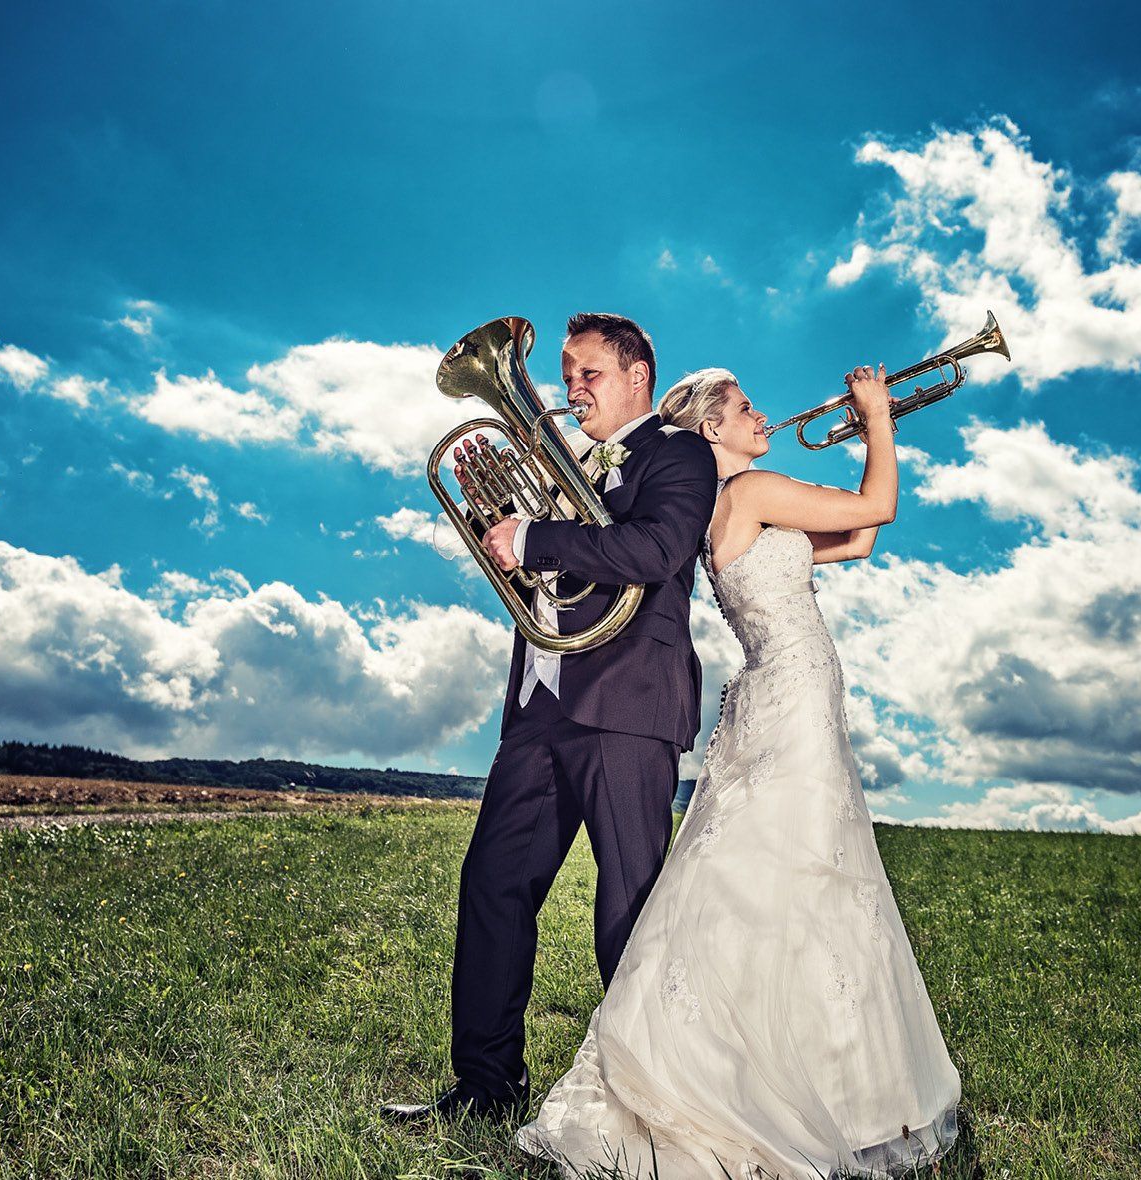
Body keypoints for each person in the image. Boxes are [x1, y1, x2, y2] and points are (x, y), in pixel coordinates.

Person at [513, 364, 962, 1177]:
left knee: (779, 876)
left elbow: (857, 541)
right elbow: (881, 510)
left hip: (776, 694)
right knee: (806, 876)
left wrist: (867, 439)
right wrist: (879, 418)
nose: (763, 416)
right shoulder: (752, 490)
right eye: (746, 408)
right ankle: (807, 1086)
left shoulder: (721, 512)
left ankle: (774, 1068)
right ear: (712, 430)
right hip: (793, 692)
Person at [383, 313, 719, 1123]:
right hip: (539, 706)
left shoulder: (679, 455)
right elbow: (539, 563)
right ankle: (486, 1087)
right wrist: (496, 516)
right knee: (494, 884)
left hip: (627, 710)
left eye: (588, 374)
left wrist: (534, 532)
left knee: (629, 908)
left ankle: (656, 1103)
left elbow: (655, 552)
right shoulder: (565, 465)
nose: (569, 391)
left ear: (638, 375)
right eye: (563, 376)